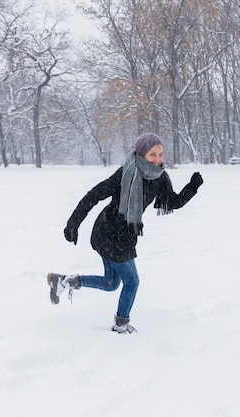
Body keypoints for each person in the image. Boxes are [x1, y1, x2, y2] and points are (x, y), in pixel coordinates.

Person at [47, 133, 203, 334]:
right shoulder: (125, 173)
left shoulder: (160, 177)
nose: (157, 159)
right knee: (132, 282)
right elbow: (94, 195)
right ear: (140, 154)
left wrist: (192, 187)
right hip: (107, 233)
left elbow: (172, 202)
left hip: (126, 235)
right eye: (152, 154)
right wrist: (73, 223)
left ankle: (65, 281)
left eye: (160, 154)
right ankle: (121, 324)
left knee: (111, 283)